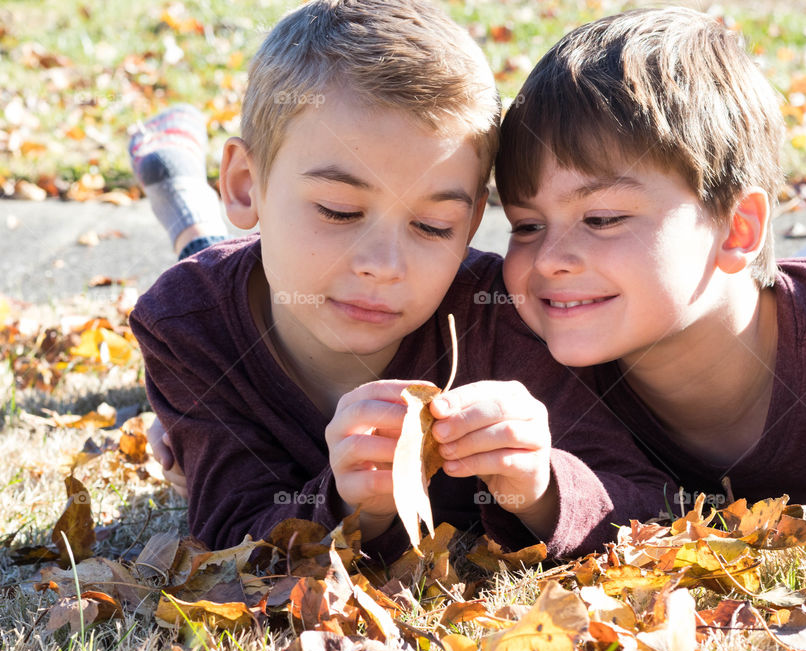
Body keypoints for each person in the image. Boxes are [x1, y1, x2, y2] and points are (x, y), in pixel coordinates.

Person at [128, 0, 676, 565]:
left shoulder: (498, 320)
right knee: (208, 259)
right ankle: (182, 197)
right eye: (340, 211)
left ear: (470, 224)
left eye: (433, 226)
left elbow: (651, 503)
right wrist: (350, 510)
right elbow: (231, 538)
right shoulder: (189, 325)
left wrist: (543, 487)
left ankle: (177, 185)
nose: (385, 265)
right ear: (245, 185)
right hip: (231, 273)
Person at [495, 6, 806, 527]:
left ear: (737, 228)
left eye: (601, 219)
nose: (549, 260)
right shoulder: (530, 367)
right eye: (526, 226)